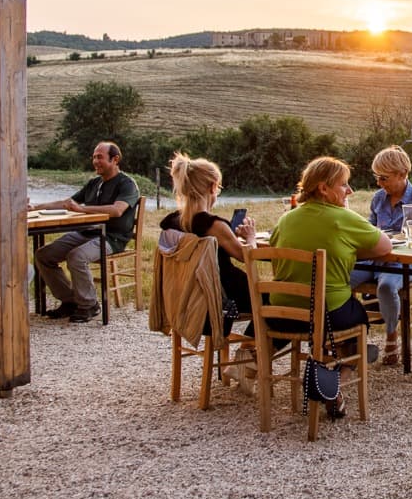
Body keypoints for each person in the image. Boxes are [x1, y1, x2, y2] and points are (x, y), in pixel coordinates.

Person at [268, 156, 393, 417]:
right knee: (358, 317)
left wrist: (344, 251)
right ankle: (335, 383)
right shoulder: (341, 217)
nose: (350, 191)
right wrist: (349, 250)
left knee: (344, 314)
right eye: (344, 185)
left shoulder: (286, 219)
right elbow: (385, 247)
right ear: (323, 188)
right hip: (325, 313)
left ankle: (320, 371)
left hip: (281, 314)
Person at [32, 140, 140, 323]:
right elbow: (68, 203)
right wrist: (35, 207)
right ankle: (70, 300)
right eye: (94, 157)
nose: (95, 161)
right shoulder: (94, 183)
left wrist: (82, 210)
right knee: (43, 255)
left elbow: (117, 210)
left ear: (115, 159)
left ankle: (89, 305)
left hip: (112, 238)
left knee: (77, 256)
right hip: (87, 233)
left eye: (100, 157)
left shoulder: (127, 184)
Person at [158, 153, 256, 332]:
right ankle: (251, 349)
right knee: (272, 302)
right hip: (219, 297)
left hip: (186, 296)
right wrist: (250, 237)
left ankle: (250, 350)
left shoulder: (171, 222)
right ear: (212, 187)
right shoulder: (214, 225)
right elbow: (247, 257)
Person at [347, 145, 412, 366]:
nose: (379, 183)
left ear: (401, 174)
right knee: (340, 280)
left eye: (383, 178)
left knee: (386, 287)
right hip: (374, 258)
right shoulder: (379, 198)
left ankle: (391, 335)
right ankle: (349, 337)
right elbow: (370, 226)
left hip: (402, 262)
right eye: (377, 177)